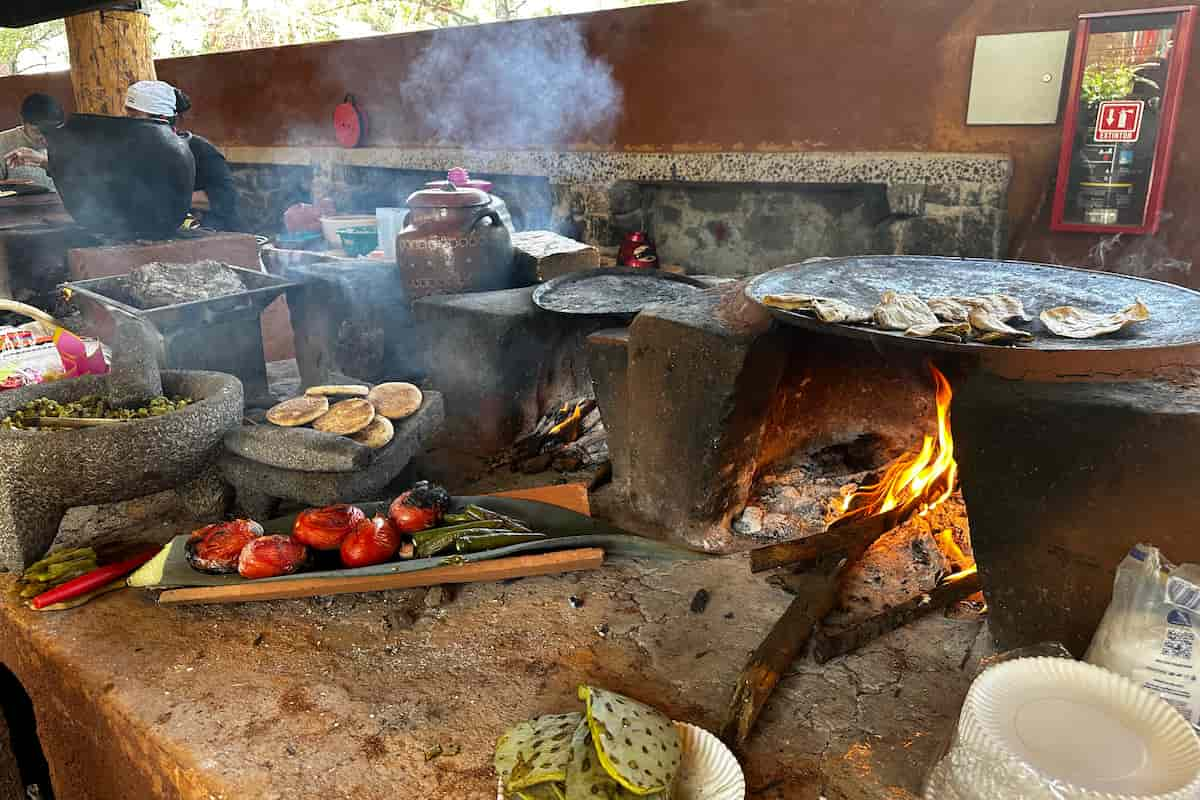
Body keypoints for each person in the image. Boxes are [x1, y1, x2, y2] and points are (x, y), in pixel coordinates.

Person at [125, 80, 243, 231]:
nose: (127, 122)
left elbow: (226, 198)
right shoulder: (136, 152)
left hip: (214, 236)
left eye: (134, 117)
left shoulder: (200, 150)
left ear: (161, 119)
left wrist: (169, 200)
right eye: (127, 114)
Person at [0, 93, 64, 189]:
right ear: (23, 122)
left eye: (51, 130)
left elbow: (83, 178)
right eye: (38, 131)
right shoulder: (3, 141)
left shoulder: (69, 140)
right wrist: (5, 186)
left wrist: (44, 162)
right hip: (21, 203)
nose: (45, 138)